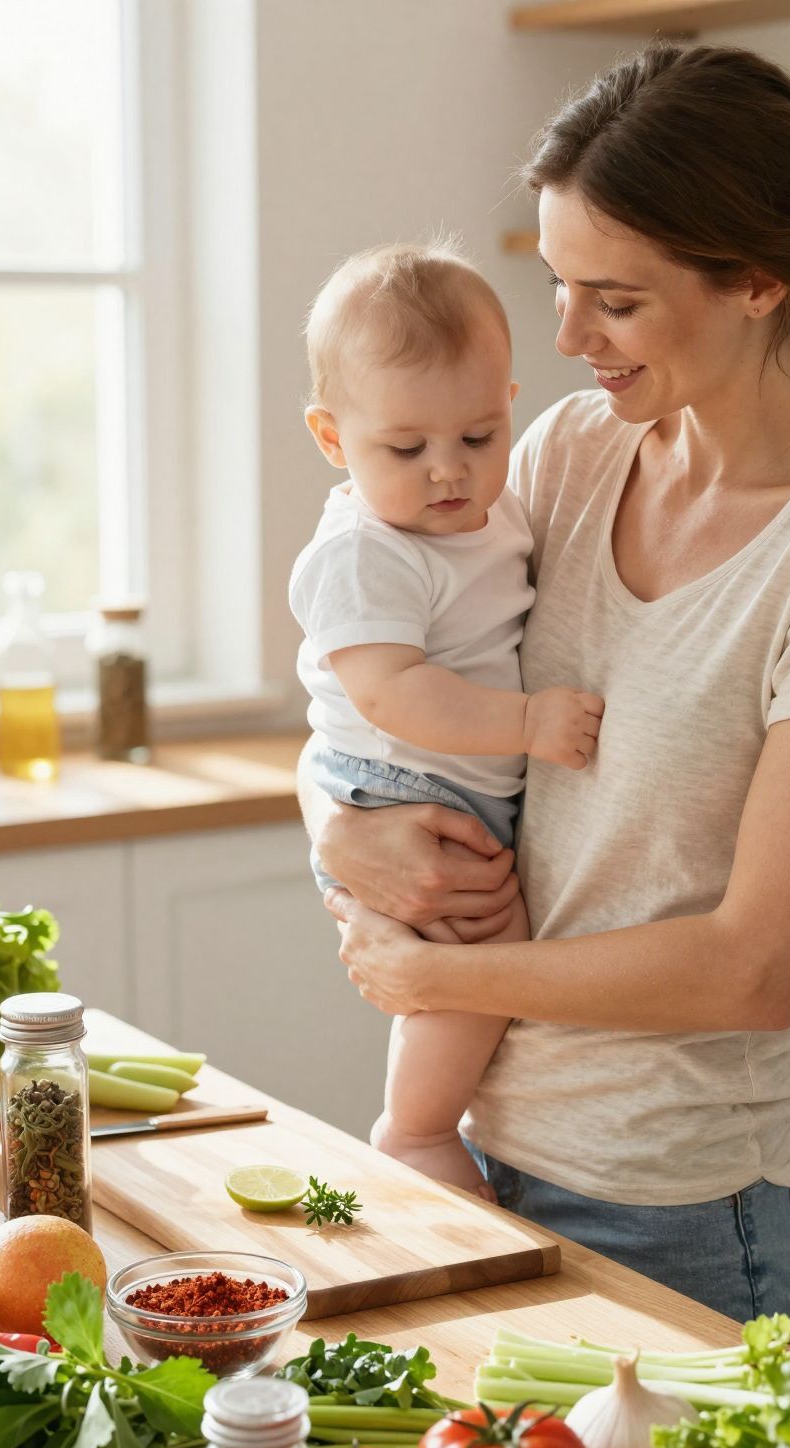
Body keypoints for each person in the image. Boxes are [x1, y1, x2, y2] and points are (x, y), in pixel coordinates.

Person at [299, 41, 790, 1331]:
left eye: (613, 298)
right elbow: (382, 679)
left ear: (758, 282)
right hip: (483, 1156)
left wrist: (442, 979)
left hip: (682, 1208)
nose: (563, 335)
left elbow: (756, 967)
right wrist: (340, 826)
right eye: (557, 284)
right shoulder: (572, 452)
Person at [290, 243, 603, 1195]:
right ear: (334, 439)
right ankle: (417, 1128)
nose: (447, 472)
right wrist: (528, 724)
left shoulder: (502, 503)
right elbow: (393, 694)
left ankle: (425, 1119)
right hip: (401, 781)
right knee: (481, 961)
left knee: (483, 960)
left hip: (446, 783)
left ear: (510, 402)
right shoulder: (364, 552)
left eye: (477, 436)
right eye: (406, 447)